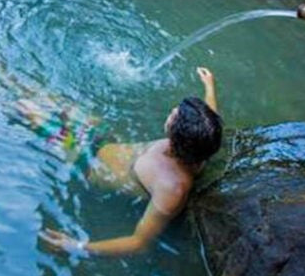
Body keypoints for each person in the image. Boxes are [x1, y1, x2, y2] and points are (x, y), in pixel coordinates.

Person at [37, 66, 222, 257]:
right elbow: (210, 119)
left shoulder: (171, 189)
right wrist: (209, 86)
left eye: (174, 117)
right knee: (44, 97)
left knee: (27, 111)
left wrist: (76, 246)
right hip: (102, 138)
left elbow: (138, 243)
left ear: (178, 136)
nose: (174, 110)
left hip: (85, 160)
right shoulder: (202, 143)